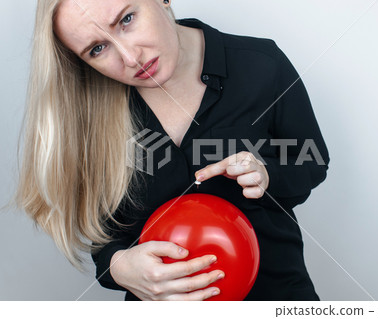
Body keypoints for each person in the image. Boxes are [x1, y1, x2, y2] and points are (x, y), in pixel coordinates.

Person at [15, 0, 330, 301]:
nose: (130, 57)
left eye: (126, 19)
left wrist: (267, 174)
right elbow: (104, 236)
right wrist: (119, 267)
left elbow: (312, 162)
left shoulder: (261, 64)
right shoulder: (87, 115)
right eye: (98, 48)